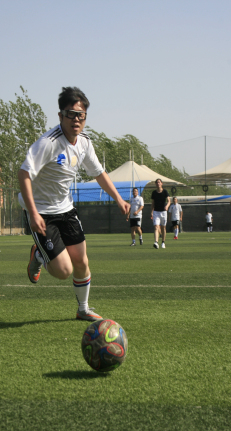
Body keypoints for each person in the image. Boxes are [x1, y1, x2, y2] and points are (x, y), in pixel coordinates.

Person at [18, 87, 130, 321]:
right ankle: (38, 255)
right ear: (61, 116)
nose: (76, 120)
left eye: (81, 115)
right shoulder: (48, 143)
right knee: (63, 271)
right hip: (42, 212)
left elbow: (99, 173)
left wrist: (119, 199)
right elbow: (24, 173)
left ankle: (83, 309)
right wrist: (33, 213)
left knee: (81, 260)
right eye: (71, 114)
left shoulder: (85, 143)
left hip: (66, 209)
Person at [150, 178, 170, 249]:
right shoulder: (154, 193)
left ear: (161, 183)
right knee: (156, 227)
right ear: (155, 184)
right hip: (156, 212)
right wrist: (152, 212)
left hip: (163, 212)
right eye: (157, 182)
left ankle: (163, 242)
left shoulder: (165, 191)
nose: (158, 183)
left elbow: (169, 201)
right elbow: (153, 203)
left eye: (159, 182)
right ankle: (156, 242)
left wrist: (167, 206)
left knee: (163, 227)